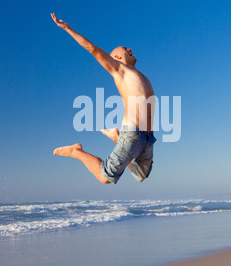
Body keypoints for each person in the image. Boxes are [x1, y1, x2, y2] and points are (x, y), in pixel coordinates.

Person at [51, 13, 156, 185]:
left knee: (140, 175)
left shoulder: (141, 75)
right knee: (105, 177)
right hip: (133, 134)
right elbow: (93, 49)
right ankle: (76, 151)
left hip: (148, 137)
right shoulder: (120, 70)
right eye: (126, 49)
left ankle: (116, 138)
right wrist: (67, 28)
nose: (131, 50)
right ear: (117, 58)